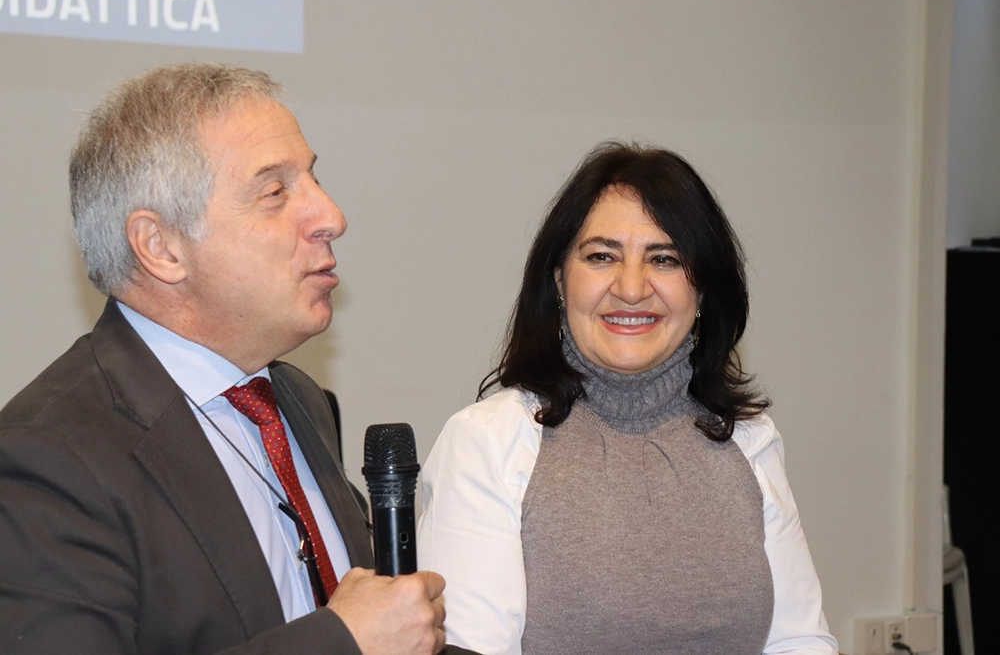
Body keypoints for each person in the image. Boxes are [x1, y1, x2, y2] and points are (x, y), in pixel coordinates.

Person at [0, 63, 464, 655]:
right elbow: (354, 634)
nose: (331, 217)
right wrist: (339, 643)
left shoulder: (289, 397)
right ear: (161, 248)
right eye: (275, 193)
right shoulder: (47, 456)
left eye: (313, 178)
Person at [417, 142, 839, 654]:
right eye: (602, 256)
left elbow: (800, 641)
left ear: (702, 290)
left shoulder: (749, 439)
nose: (633, 288)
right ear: (559, 279)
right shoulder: (485, 443)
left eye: (664, 259)